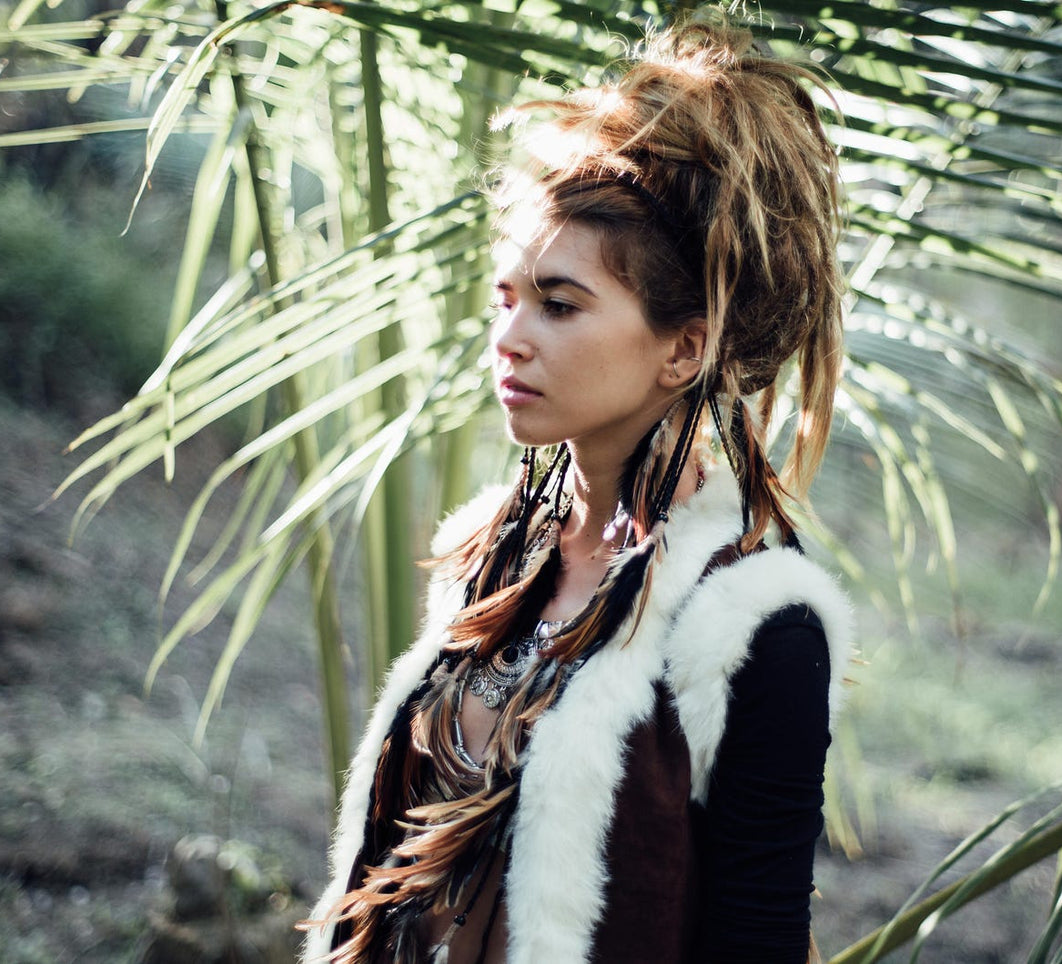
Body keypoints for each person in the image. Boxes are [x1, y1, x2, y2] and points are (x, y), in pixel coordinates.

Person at [301, 13, 853, 964]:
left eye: (559, 305)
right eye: (505, 299)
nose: (509, 340)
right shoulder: (493, 553)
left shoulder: (752, 624)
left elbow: (757, 941)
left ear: (683, 346)